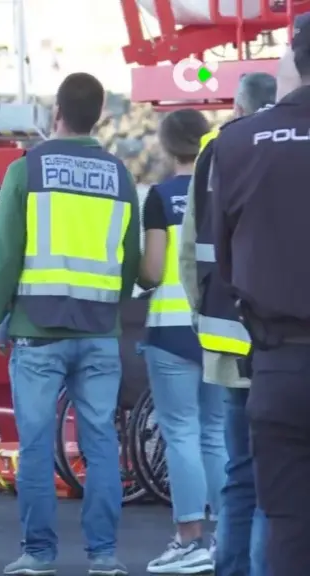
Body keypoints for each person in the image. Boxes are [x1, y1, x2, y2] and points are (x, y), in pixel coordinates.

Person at [0, 72, 139, 576]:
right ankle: (103, 556)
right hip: (98, 330)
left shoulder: (28, 170)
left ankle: (38, 554)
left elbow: (5, 254)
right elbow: (130, 258)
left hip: (36, 328)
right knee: (100, 444)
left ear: (57, 112)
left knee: (34, 445)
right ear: (99, 116)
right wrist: (109, 308)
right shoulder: (119, 175)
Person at [211, 27, 310, 574]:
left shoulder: (238, 141)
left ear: (294, 60)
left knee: (287, 527)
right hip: (277, 355)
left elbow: (224, 259)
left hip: (278, 362)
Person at [179, 72, 275, 576]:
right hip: (280, 341)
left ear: (237, 106)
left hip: (226, 336)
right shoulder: (286, 147)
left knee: (240, 474)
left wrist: (201, 313)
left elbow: (190, 247)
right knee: (278, 479)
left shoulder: (213, 152)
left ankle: (232, 568)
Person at [140, 109, 226, 574]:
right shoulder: (226, 190)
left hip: (172, 331)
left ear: (167, 145)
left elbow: (152, 270)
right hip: (221, 330)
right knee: (216, 434)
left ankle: (189, 538)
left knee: (182, 433)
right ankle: (227, 535)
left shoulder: (162, 196)